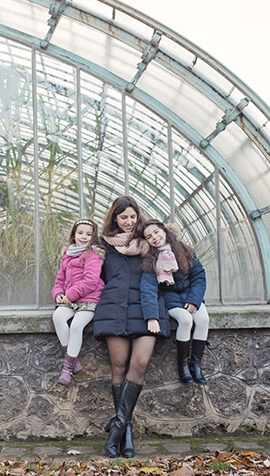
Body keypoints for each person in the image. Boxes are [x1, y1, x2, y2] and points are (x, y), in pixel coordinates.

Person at [93, 196, 170, 458]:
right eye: (123, 217)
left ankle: (116, 428)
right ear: (114, 218)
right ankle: (125, 433)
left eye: (133, 216)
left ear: (139, 216)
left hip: (147, 311)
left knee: (139, 363)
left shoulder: (149, 242)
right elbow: (91, 275)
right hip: (114, 310)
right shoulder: (103, 245)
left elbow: (176, 266)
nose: (129, 222)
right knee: (119, 366)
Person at [139, 219, 209, 385]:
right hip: (170, 298)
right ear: (147, 241)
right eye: (149, 236)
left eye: (156, 232)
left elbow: (199, 277)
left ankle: (196, 365)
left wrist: (194, 300)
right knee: (185, 319)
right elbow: (148, 289)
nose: (154, 237)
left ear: (164, 231)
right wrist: (151, 316)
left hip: (191, 295)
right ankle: (183, 366)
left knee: (203, 320)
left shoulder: (184, 250)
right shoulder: (150, 260)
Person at [51, 218, 106, 386]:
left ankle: (67, 369)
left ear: (93, 237)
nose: (84, 237)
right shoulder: (67, 255)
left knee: (76, 326)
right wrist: (59, 293)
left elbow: (91, 281)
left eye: (88, 234)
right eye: (80, 233)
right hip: (70, 298)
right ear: (74, 234)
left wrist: (70, 294)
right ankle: (74, 361)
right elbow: (59, 280)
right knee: (58, 317)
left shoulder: (93, 254)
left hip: (89, 299)